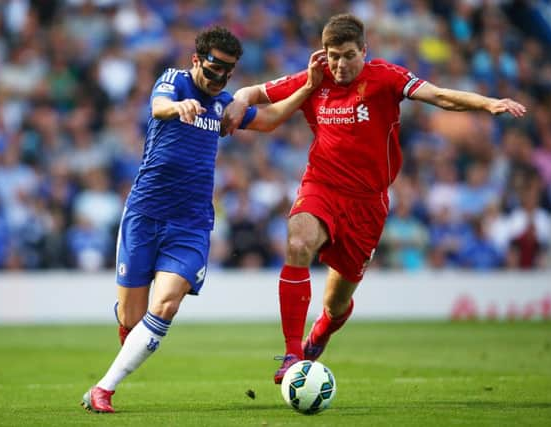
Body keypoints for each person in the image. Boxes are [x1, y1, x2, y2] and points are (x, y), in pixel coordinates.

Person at [223, 13, 526, 384]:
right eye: (333, 55)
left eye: (348, 55)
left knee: (336, 305)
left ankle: (320, 332)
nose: (340, 64)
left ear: (364, 51)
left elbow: (439, 95)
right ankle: (292, 354)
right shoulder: (314, 79)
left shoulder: (386, 77)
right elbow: (253, 93)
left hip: (368, 204)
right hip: (321, 186)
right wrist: (238, 100)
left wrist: (488, 104)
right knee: (298, 240)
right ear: (324, 53)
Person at [80, 26, 326, 413]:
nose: (217, 80)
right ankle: (130, 328)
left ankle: (103, 390)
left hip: (191, 225)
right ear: (196, 61)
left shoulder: (224, 104)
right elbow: (158, 105)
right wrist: (178, 107)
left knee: (166, 306)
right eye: (212, 71)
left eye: (226, 73)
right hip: (144, 215)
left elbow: (271, 119)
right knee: (131, 318)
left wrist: (309, 86)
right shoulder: (173, 82)